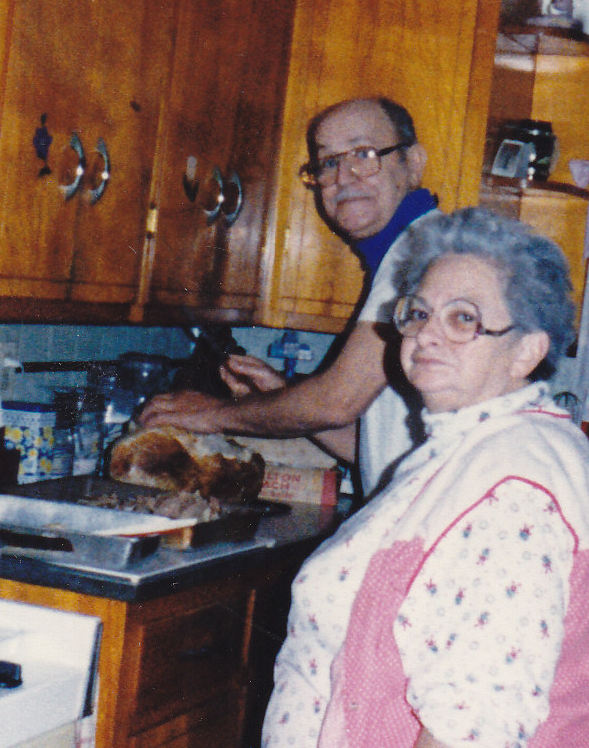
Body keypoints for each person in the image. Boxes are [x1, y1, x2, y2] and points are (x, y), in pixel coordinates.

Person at [261, 206, 589, 748]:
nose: (428, 335)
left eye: (464, 319)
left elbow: (472, 726)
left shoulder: (516, 483)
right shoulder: (471, 446)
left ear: (527, 351)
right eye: (419, 313)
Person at [140, 96, 438, 495]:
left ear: (413, 163)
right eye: (328, 162)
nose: (342, 177)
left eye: (364, 154)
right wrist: (281, 396)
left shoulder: (420, 257)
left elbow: (336, 403)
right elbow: (374, 450)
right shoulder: (404, 253)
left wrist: (215, 413)